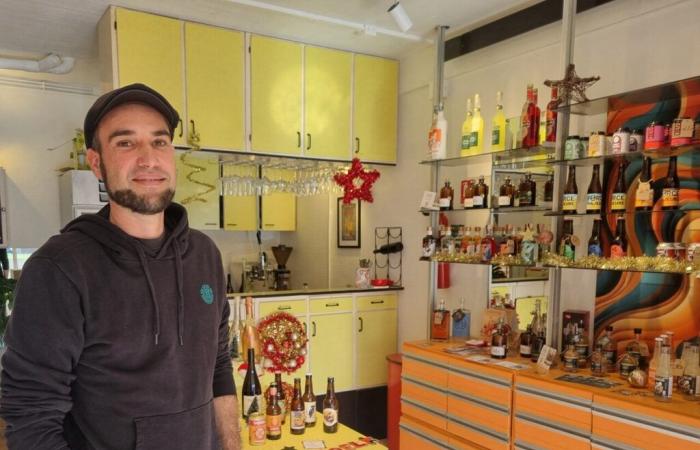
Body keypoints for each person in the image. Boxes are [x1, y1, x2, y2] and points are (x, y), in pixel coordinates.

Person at [0, 83, 241, 449]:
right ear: (97, 163)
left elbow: (218, 366)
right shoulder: (60, 268)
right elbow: (31, 412)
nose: (148, 159)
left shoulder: (204, 254)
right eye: (125, 143)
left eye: (159, 142)